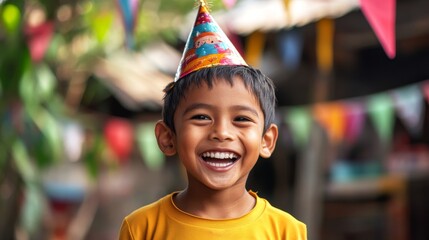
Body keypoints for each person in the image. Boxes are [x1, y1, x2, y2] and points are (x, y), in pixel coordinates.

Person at [119, 1, 306, 239]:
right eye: (201, 117)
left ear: (266, 140)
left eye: (240, 119)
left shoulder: (286, 231)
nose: (221, 132)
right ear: (168, 138)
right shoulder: (142, 228)